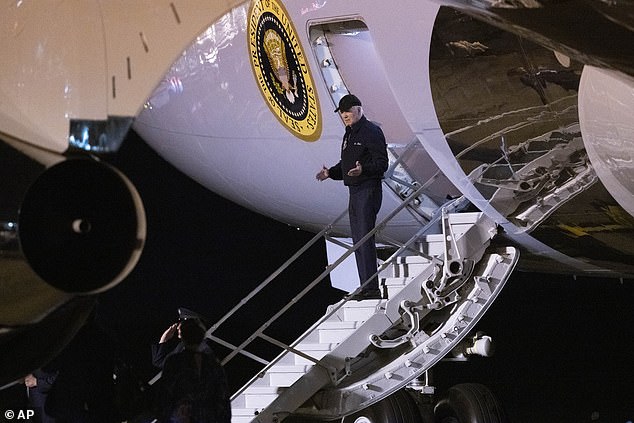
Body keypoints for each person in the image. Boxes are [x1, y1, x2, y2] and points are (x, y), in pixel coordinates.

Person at [316, 94, 388, 300]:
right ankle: (365, 286)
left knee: (365, 238)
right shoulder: (349, 133)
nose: (344, 115)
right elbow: (346, 165)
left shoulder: (371, 131)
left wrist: (363, 170)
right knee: (358, 240)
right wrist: (331, 172)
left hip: (368, 190)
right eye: (341, 112)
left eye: (347, 111)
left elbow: (382, 163)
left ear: (359, 109)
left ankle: (372, 289)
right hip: (354, 191)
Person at [157, 319, 230, 423]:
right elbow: (222, 395)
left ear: (182, 337)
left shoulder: (174, 362)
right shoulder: (212, 362)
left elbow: (165, 395)